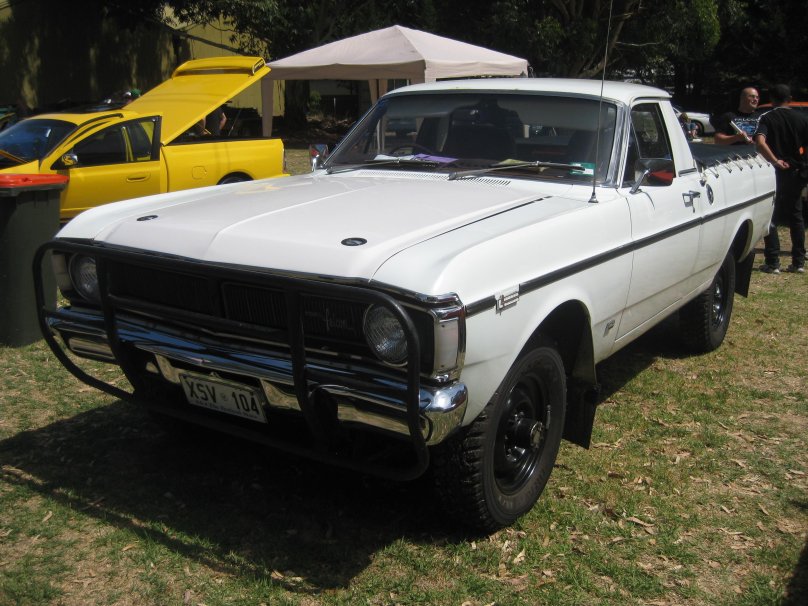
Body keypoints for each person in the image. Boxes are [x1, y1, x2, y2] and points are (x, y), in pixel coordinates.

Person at [753, 84, 808, 274]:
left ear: (772, 99)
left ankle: (773, 261)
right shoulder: (801, 119)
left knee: (772, 215)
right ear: (790, 98)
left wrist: (775, 160)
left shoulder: (767, 117)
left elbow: (759, 142)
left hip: (774, 171)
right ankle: (799, 262)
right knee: (796, 215)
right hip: (796, 170)